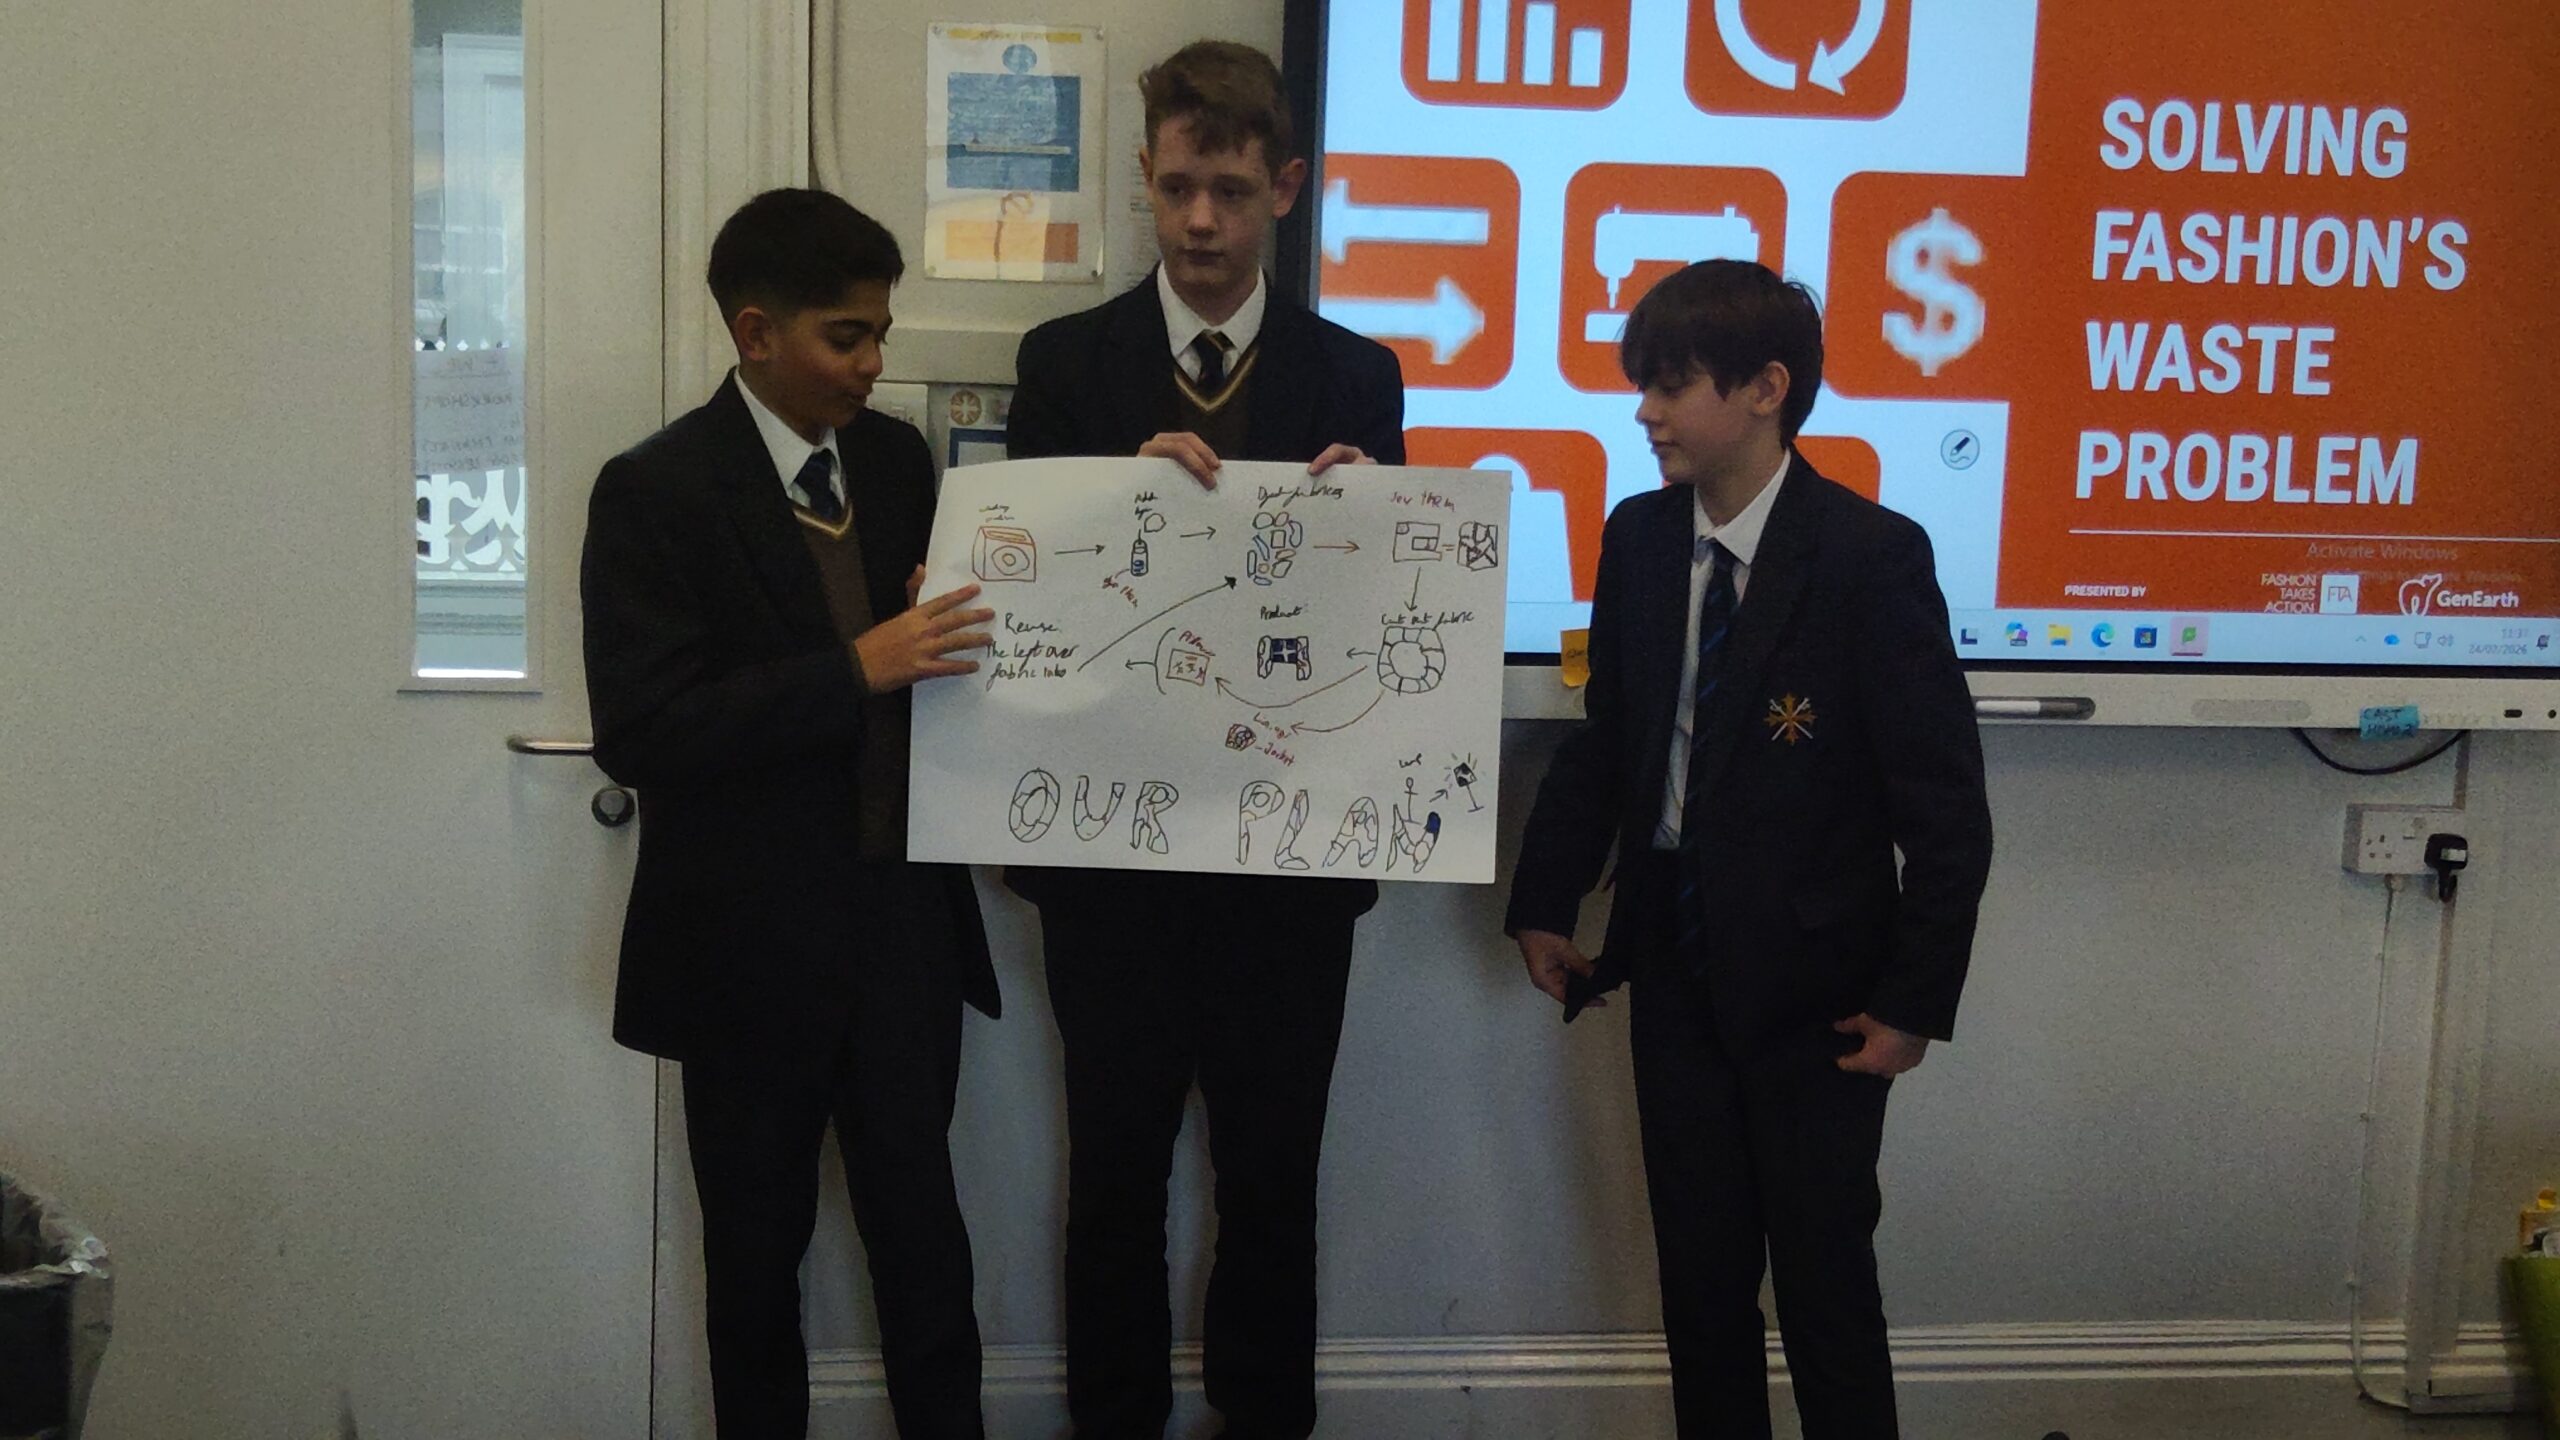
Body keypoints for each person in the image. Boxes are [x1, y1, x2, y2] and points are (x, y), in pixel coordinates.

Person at [1504, 259, 1994, 1439]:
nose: (1645, 412)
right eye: (1642, 384)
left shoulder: (1869, 555)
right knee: (1699, 1286)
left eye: (1671, 385)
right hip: (1674, 968)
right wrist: (1545, 900)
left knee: (1825, 1289)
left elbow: (1943, 808)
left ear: (1766, 389)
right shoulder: (1637, 538)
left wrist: (1912, 1002)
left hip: (1820, 994)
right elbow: (1609, 738)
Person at [1002, 39, 1405, 1440]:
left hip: (1288, 866)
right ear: (1144, 177)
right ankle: (1113, 1423)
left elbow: (1383, 637)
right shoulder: (1064, 363)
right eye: (1177, 187)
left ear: (1284, 187)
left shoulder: (1357, 376)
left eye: (1230, 191)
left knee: (1272, 1181)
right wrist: (1112, 503)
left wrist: (1371, 524)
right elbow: (1025, 599)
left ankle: (1266, 1422)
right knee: (1112, 1178)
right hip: (1109, 864)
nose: (1199, 222)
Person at [580, 187, 999, 1440]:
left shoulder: (896, 463)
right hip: (745, 947)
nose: (873, 365)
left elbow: (942, 653)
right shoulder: (655, 488)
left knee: (927, 1251)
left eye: (881, 334)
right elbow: (645, 729)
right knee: (756, 1267)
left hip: (902, 930)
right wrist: (854, 669)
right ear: (755, 333)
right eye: (845, 337)